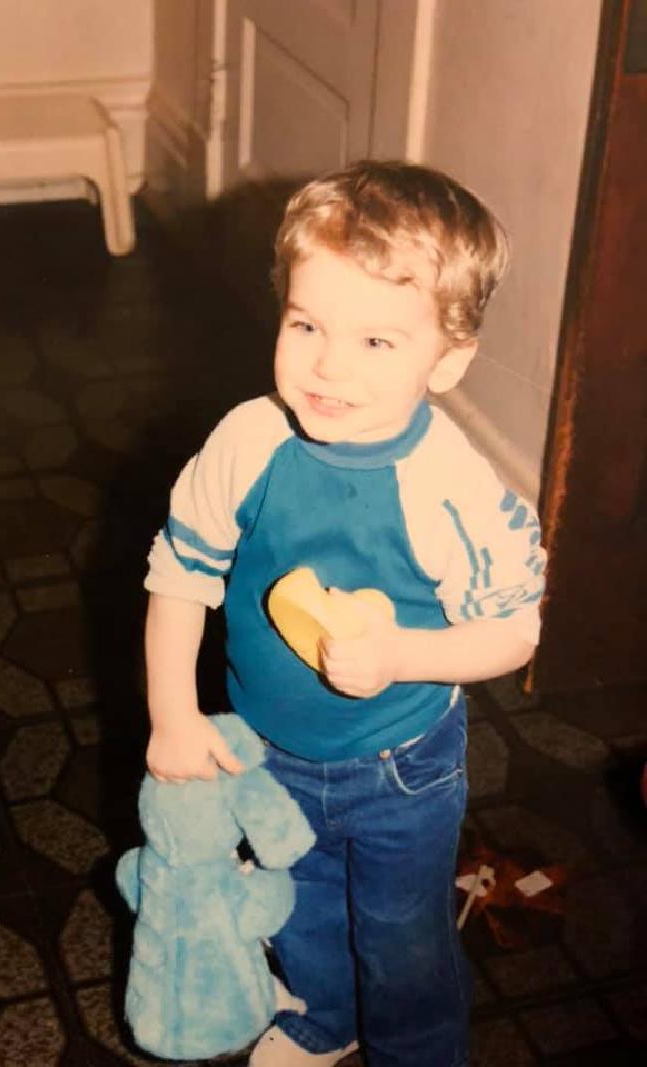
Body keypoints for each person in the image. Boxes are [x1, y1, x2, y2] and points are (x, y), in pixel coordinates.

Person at [142, 160, 546, 1067]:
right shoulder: (249, 441)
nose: (327, 363)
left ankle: (417, 1051)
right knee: (300, 898)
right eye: (306, 323)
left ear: (446, 359)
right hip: (268, 741)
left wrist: (402, 651)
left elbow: (517, 629)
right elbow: (180, 575)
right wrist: (173, 711)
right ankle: (326, 1015)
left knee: (403, 936)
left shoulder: (450, 487)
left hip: (400, 763)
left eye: (376, 342)